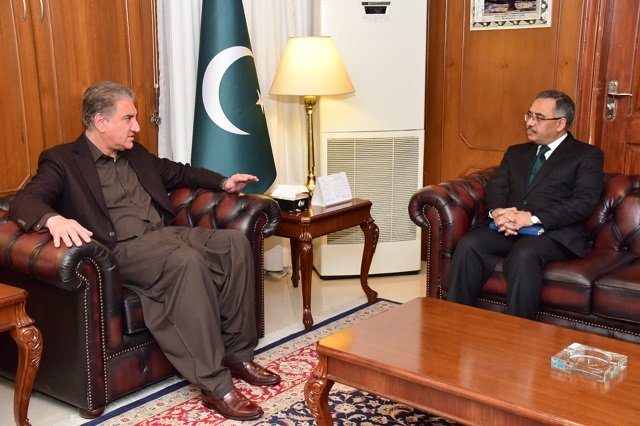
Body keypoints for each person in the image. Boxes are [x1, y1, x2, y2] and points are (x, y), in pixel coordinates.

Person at [8, 81, 280, 421]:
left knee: (234, 244)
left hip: (165, 235)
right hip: (121, 250)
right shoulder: (63, 160)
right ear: (100, 121)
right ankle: (215, 385)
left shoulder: (134, 153)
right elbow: (26, 200)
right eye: (129, 118)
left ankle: (238, 354)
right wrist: (53, 219)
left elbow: (178, 172)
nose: (137, 126)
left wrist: (223, 183)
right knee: (185, 263)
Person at [446, 89, 604, 319]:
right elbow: (497, 187)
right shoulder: (516, 152)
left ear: (560, 123)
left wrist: (530, 219)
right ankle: (454, 319)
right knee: (471, 243)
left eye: (538, 118)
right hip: (509, 228)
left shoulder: (586, 155)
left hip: (553, 233)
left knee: (525, 254)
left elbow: (582, 203)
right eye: (528, 115)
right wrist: (498, 212)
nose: (530, 123)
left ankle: (519, 332)